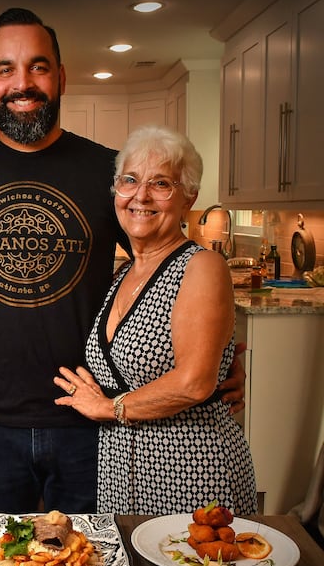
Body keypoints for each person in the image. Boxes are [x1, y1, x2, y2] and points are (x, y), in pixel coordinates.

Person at [0, 8, 246, 515]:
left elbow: (169, 262)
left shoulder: (110, 172)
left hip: (90, 420)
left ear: (61, 76)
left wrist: (222, 357)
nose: (22, 82)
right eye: (6, 68)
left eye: (38, 66)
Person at [54, 125, 257, 516]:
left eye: (161, 183)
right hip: (121, 472)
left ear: (188, 197)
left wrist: (107, 408)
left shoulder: (202, 267)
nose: (140, 196)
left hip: (191, 469)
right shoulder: (123, 275)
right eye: (129, 181)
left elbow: (194, 383)